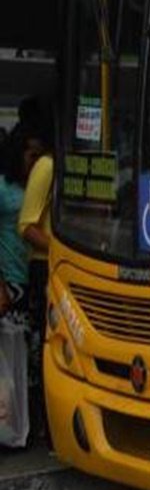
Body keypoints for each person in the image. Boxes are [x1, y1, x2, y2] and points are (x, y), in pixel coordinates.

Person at [17, 116, 51, 444]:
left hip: (60, 266)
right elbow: (27, 226)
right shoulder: (47, 167)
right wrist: (62, 249)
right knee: (43, 348)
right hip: (45, 267)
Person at [0, 128, 43, 321]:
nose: (37, 163)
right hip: (10, 280)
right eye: (32, 156)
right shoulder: (2, 189)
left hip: (35, 277)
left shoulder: (41, 187)